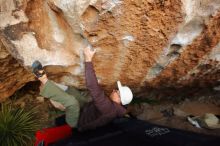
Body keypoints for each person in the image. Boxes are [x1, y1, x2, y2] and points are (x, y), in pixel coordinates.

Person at [32, 46, 133, 131]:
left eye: (117, 91)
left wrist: (88, 58)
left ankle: (43, 80)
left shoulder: (108, 109)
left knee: (72, 102)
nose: (114, 90)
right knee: (71, 91)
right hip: (86, 110)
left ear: (119, 100)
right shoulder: (114, 107)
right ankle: (50, 85)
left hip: (77, 122)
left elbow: (92, 86)